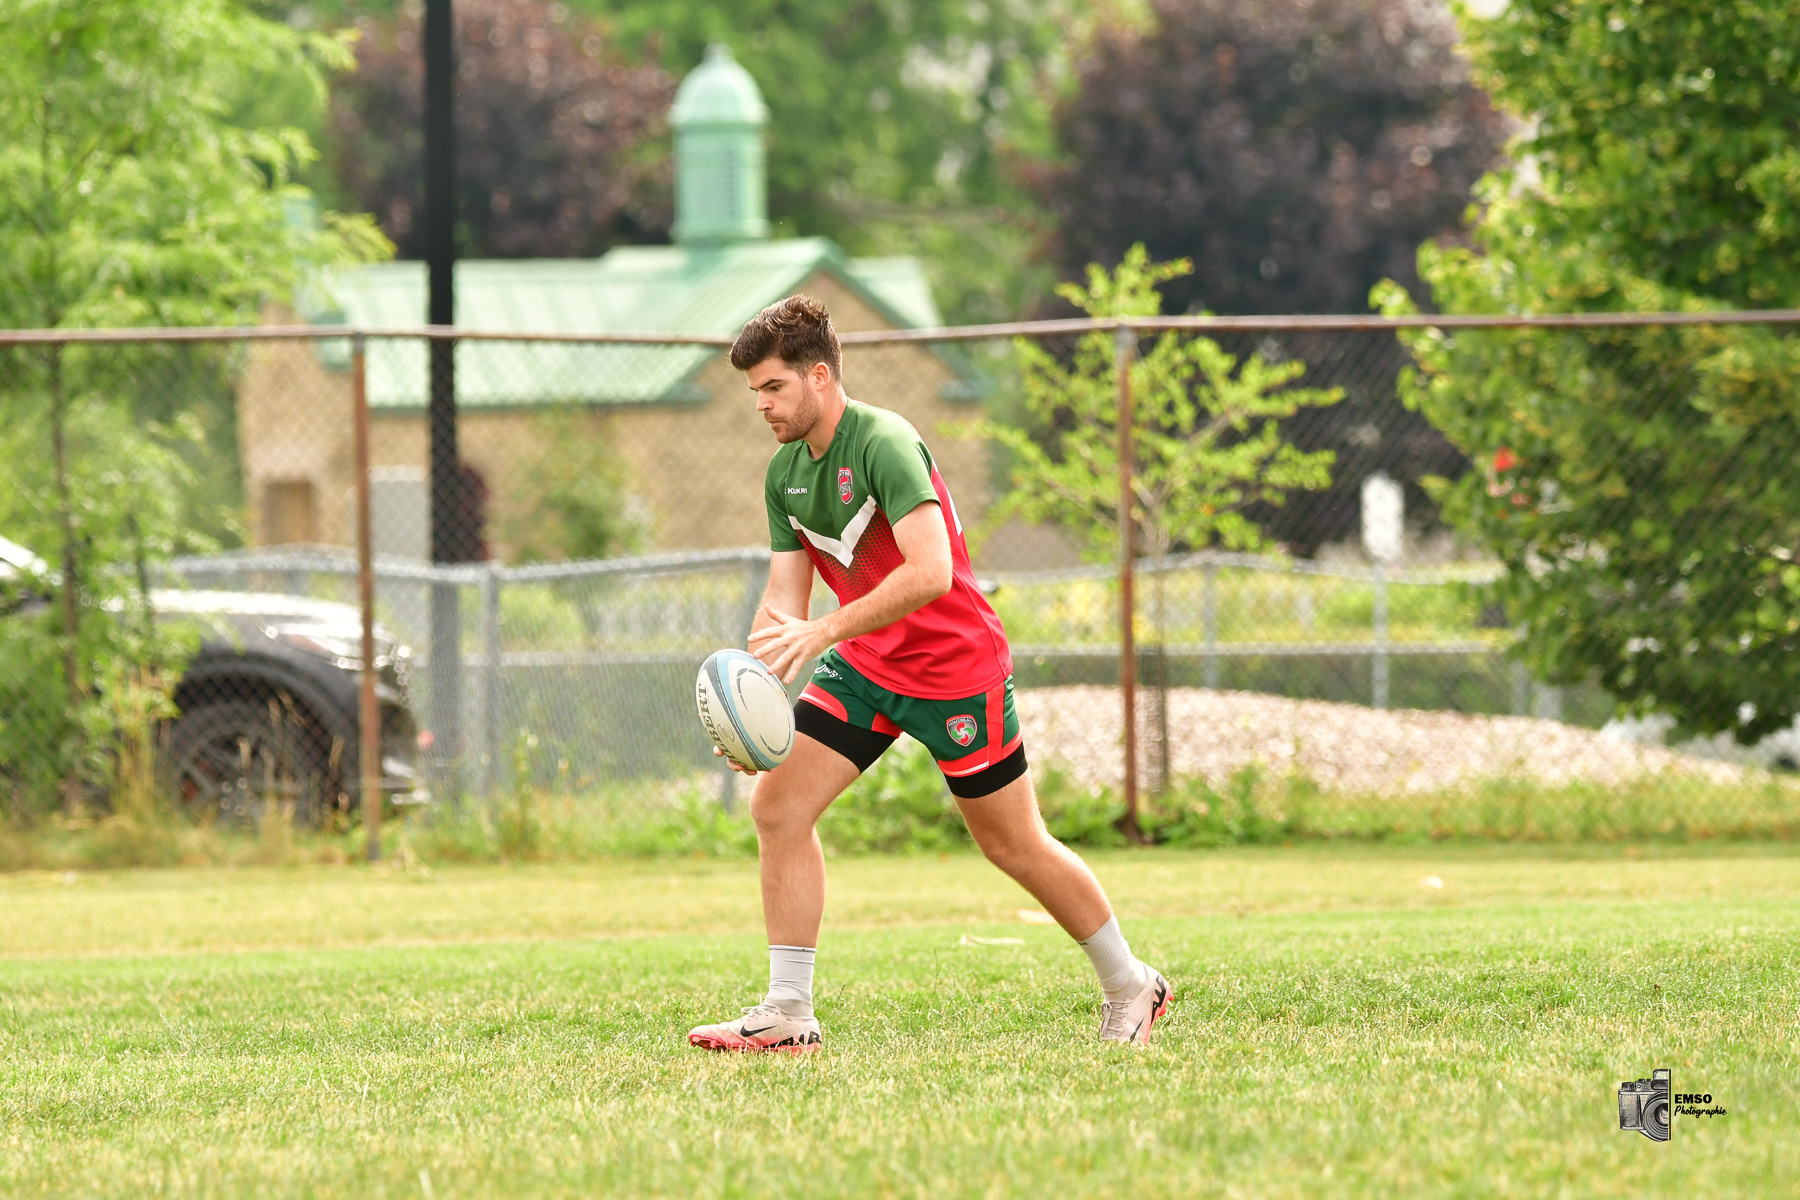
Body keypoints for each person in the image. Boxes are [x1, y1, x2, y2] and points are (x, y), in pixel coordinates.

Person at [687, 295, 1171, 1053]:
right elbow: (784, 608)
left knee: (1012, 843)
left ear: (819, 377)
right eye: (754, 393)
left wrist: (824, 630)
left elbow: (933, 572)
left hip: (954, 668)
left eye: (773, 387)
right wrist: (751, 707)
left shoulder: (883, 441)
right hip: (866, 666)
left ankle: (1131, 982)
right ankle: (787, 1011)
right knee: (777, 806)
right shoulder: (784, 474)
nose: (762, 406)